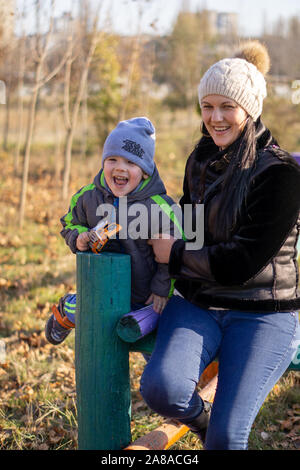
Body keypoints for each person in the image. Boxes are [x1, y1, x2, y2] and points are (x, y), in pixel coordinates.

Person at [139, 41, 300, 450]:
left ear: (249, 109)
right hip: (200, 301)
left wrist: (173, 254)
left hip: (263, 310)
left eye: (227, 106)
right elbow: (192, 231)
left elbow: (240, 264)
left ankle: (221, 430)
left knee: (229, 439)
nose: (215, 118)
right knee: (161, 389)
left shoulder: (280, 174)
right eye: (207, 106)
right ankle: (203, 419)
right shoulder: (200, 160)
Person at [45, 117, 181, 345]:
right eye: (112, 159)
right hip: (100, 289)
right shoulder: (89, 197)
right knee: (89, 313)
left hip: (145, 296)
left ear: (145, 171)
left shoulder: (160, 208)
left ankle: (154, 378)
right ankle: (66, 311)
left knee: (151, 341)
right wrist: (78, 237)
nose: (119, 167)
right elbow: (69, 221)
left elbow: (177, 249)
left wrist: (162, 288)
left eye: (130, 162)